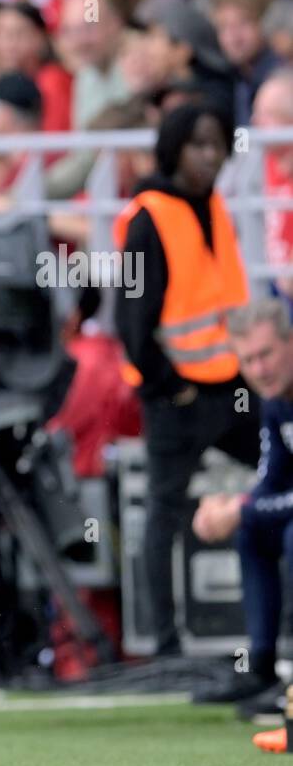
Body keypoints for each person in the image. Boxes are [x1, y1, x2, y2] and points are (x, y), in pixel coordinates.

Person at [113, 102, 259, 656]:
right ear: (174, 149)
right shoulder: (149, 215)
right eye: (198, 144)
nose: (210, 155)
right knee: (163, 513)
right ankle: (166, 644)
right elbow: (132, 318)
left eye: (217, 144)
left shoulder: (215, 206)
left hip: (232, 385)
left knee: (280, 476)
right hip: (178, 395)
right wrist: (170, 386)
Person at [192, 299, 292, 714]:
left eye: (266, 353)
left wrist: (240, 509)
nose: (259, 369)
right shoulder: (274, 402)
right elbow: (272, 481)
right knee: (255, 530)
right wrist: (233, 507)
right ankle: (262, 669)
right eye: (248, 360)